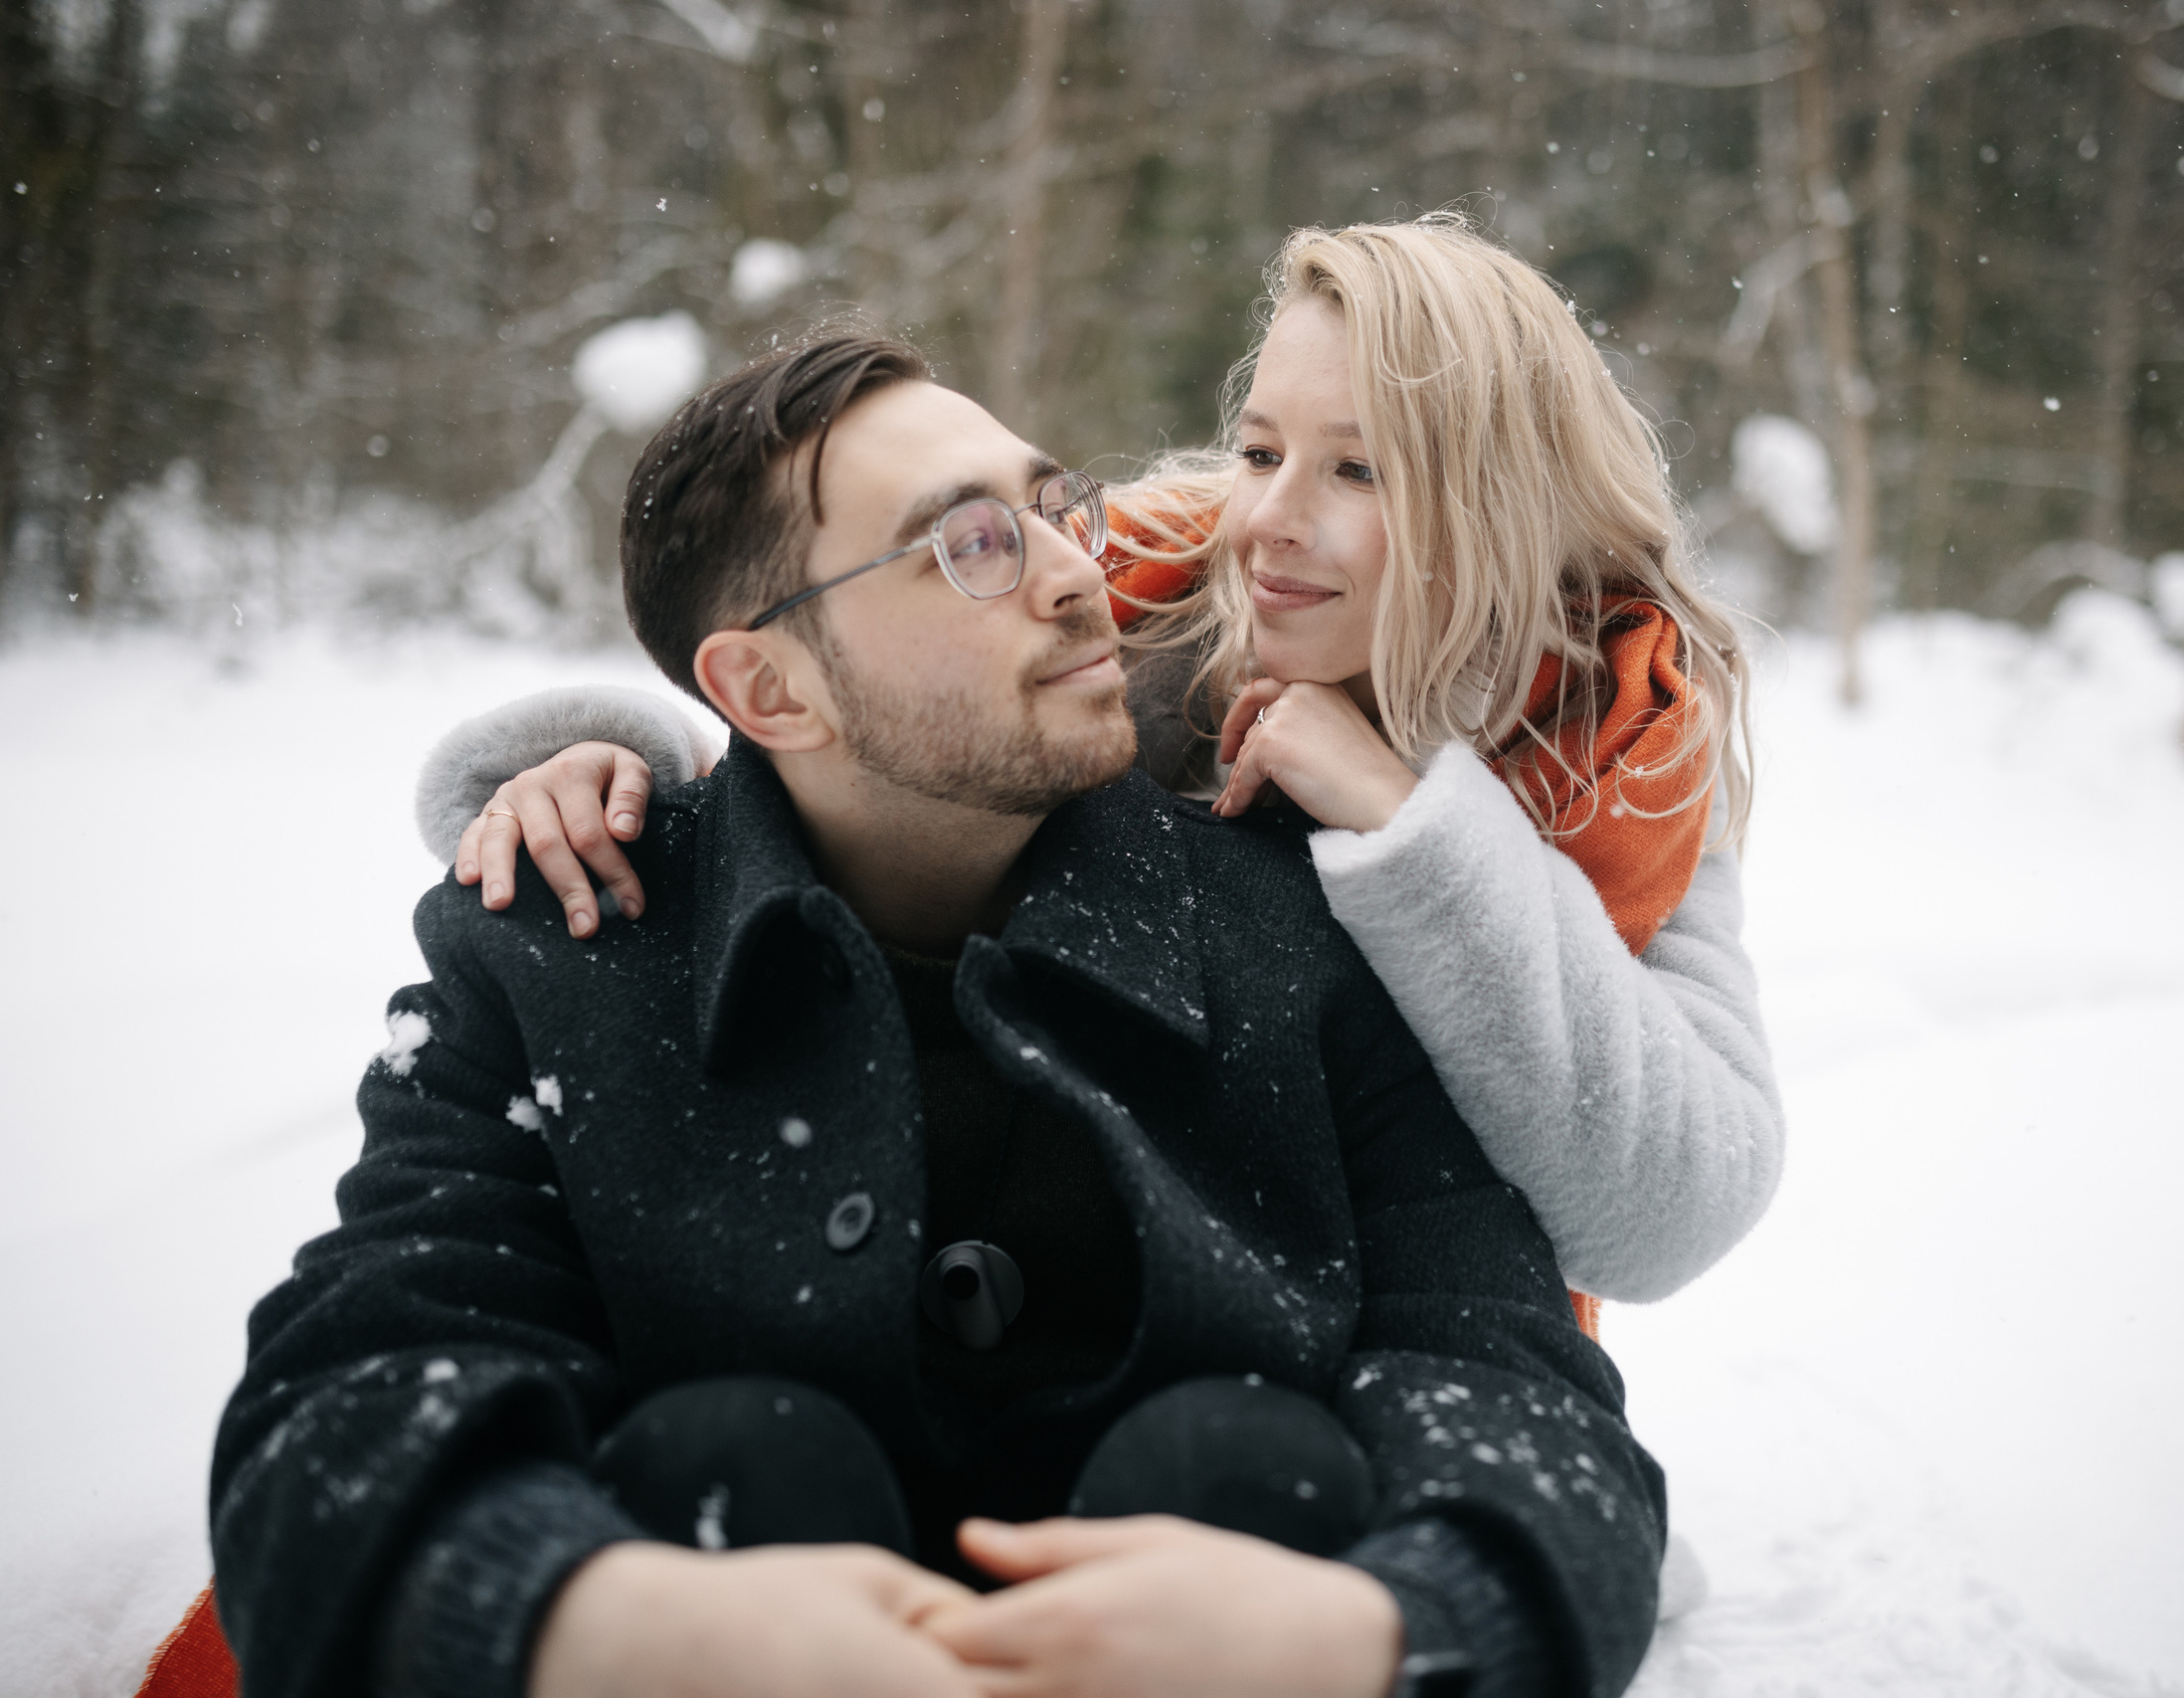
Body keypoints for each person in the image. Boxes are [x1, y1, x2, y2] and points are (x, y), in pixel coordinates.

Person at [208, 327, 1664, 1698]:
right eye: (969, 545)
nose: (1077, 575)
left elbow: (1522, 1399)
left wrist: (1375, 1632)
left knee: (1239, 1463)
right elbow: (354, 1399)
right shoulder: (559, 948)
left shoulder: (1307, 927)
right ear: (770, 687)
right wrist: (599, 1623)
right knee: (728, 1455)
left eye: (1053, 509)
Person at [429, 215, 1783, 1322]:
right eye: (1262, 451)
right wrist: (623, 779)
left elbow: (1669, 1210)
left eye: (1360, 472)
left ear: (1502, 500)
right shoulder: (1131, 596)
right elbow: (850, 692)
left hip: (1419, 1338)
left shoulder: (1621, 749)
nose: (1268, 521)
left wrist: (1413, 824)